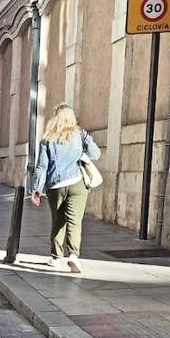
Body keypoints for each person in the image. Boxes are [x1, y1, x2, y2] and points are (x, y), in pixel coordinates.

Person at [31, 103, 100, 273]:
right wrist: (86, 138)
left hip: (55, 186)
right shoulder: (80, 134)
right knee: (74, 221)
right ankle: (74, 256)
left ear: (55, 118)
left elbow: (41, 167)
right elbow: (95, 154)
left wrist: (37, 189)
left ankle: (56, 258)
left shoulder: (47, 139)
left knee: (58, 220)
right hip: (77, 183)